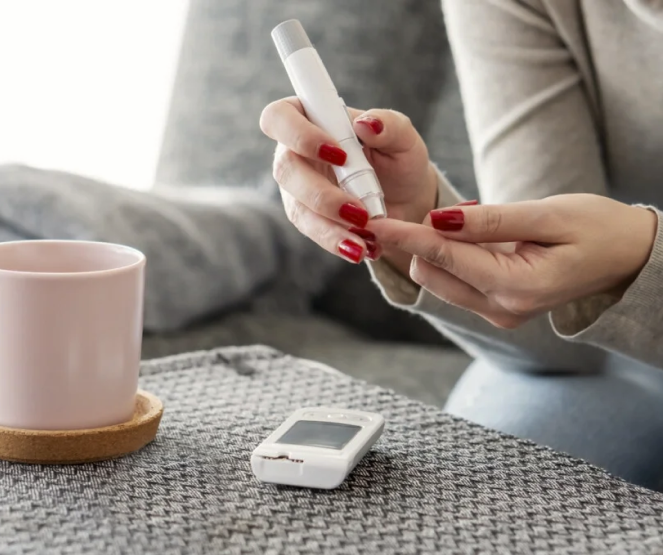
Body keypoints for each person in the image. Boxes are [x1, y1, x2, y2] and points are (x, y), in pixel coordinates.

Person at [259, 0, 663, 489]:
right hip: (632, 351)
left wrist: (642, 260)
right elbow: (553, 335)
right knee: (480, 484)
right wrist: (416, 217)